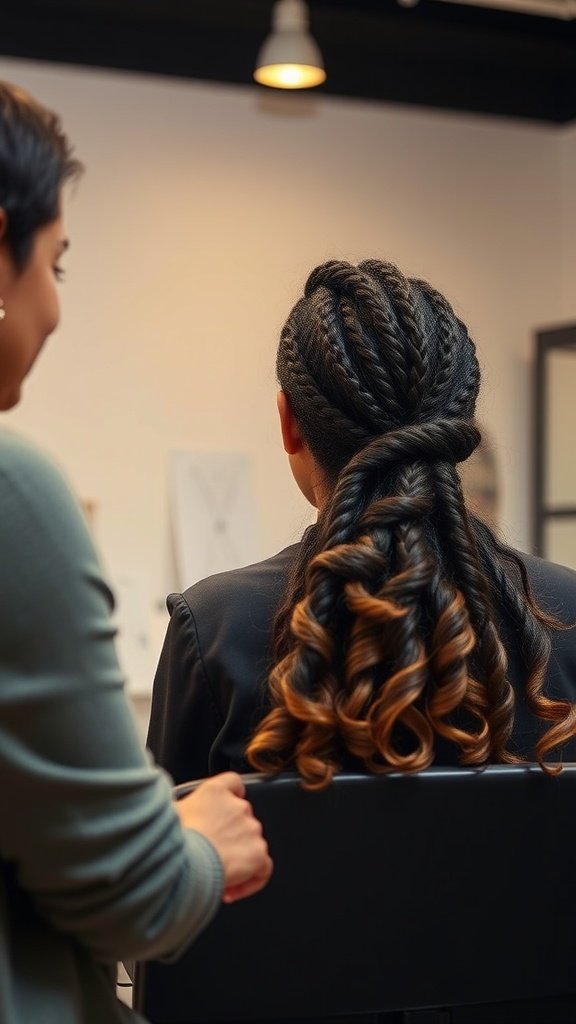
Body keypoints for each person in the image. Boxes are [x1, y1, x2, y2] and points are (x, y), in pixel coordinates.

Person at [0, 80, 272, 1024]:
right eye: (57, 267)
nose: (56, 309)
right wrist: (197, 840)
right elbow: (131, 892)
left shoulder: (220, 616)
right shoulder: (14, 492)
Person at [148, 258, 576, 791]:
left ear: (289, 423)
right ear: (457, 425)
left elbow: (165, 862)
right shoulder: (565, 611)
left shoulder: (215, 626)